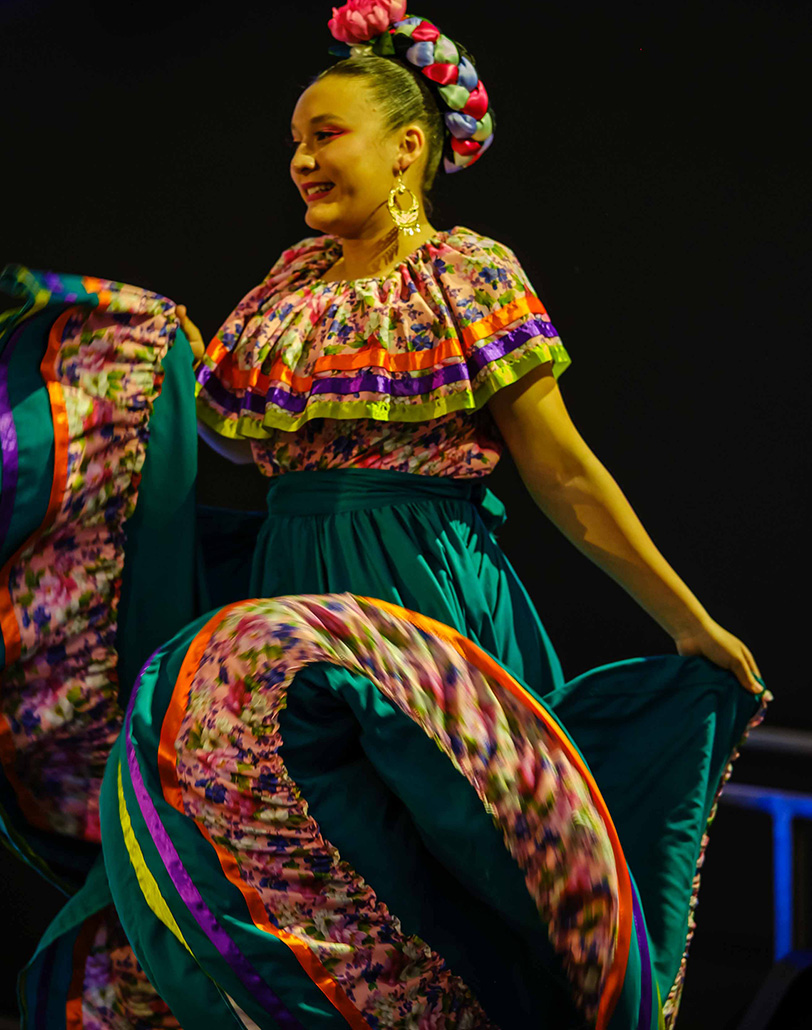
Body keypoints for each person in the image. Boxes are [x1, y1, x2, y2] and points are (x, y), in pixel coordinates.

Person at [0, 3, 769, 1028]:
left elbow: (564, 472)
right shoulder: (291, 284)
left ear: (408, 146)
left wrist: (686, 619)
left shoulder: (468, 274)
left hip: (422, 588)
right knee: (283, 862)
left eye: (325, 135)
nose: (301, 162)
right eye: (293, 144)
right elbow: (239, 434)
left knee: (429, 868)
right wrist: (146, 364)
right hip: (290, 587)